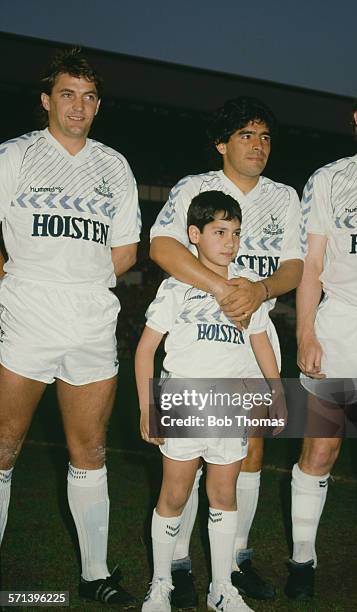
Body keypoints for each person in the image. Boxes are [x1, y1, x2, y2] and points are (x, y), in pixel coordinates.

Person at [149, 96, 304, 605]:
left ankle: (234, 563)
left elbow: (293, 268)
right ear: (222, 143)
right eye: (246, 135)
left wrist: (256, 291)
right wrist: (223, 290)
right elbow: (162, 247)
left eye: (264, 137)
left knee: (245, 453)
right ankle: (176, 566)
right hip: (201, 334)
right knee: (187, 462)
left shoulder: (284, 196)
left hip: (250, 335)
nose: (258, 145)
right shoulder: (194, 188)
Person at [0, 48, 141, 606]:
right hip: (26, 311)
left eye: (87, 97)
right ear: (45, 100)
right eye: (66, 94)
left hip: (90, 316)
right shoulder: (15, 155)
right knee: (4, 444)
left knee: (91, 448)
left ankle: (94, 575)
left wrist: (78, 277)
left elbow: (126, 250)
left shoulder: (114, 166)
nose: (77, 106)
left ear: (98, 105)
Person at [136, 191, 283, 611]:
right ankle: (161, 584)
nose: (230, 242)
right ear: (194, 235)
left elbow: (261, 345)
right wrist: (150, 406)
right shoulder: (176, 286)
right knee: (175, 495)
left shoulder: (245, 289)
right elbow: (146, 350)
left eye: (236, 233)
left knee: (223, 494)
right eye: (220, 232)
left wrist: (276, 393)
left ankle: (222, 589)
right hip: (182, 397)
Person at [286, 72, 357, 602]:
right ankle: (302, 559)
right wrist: (306, 332)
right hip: (341, 326)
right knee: (321, 450)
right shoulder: (330, 179)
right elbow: (310, 264)